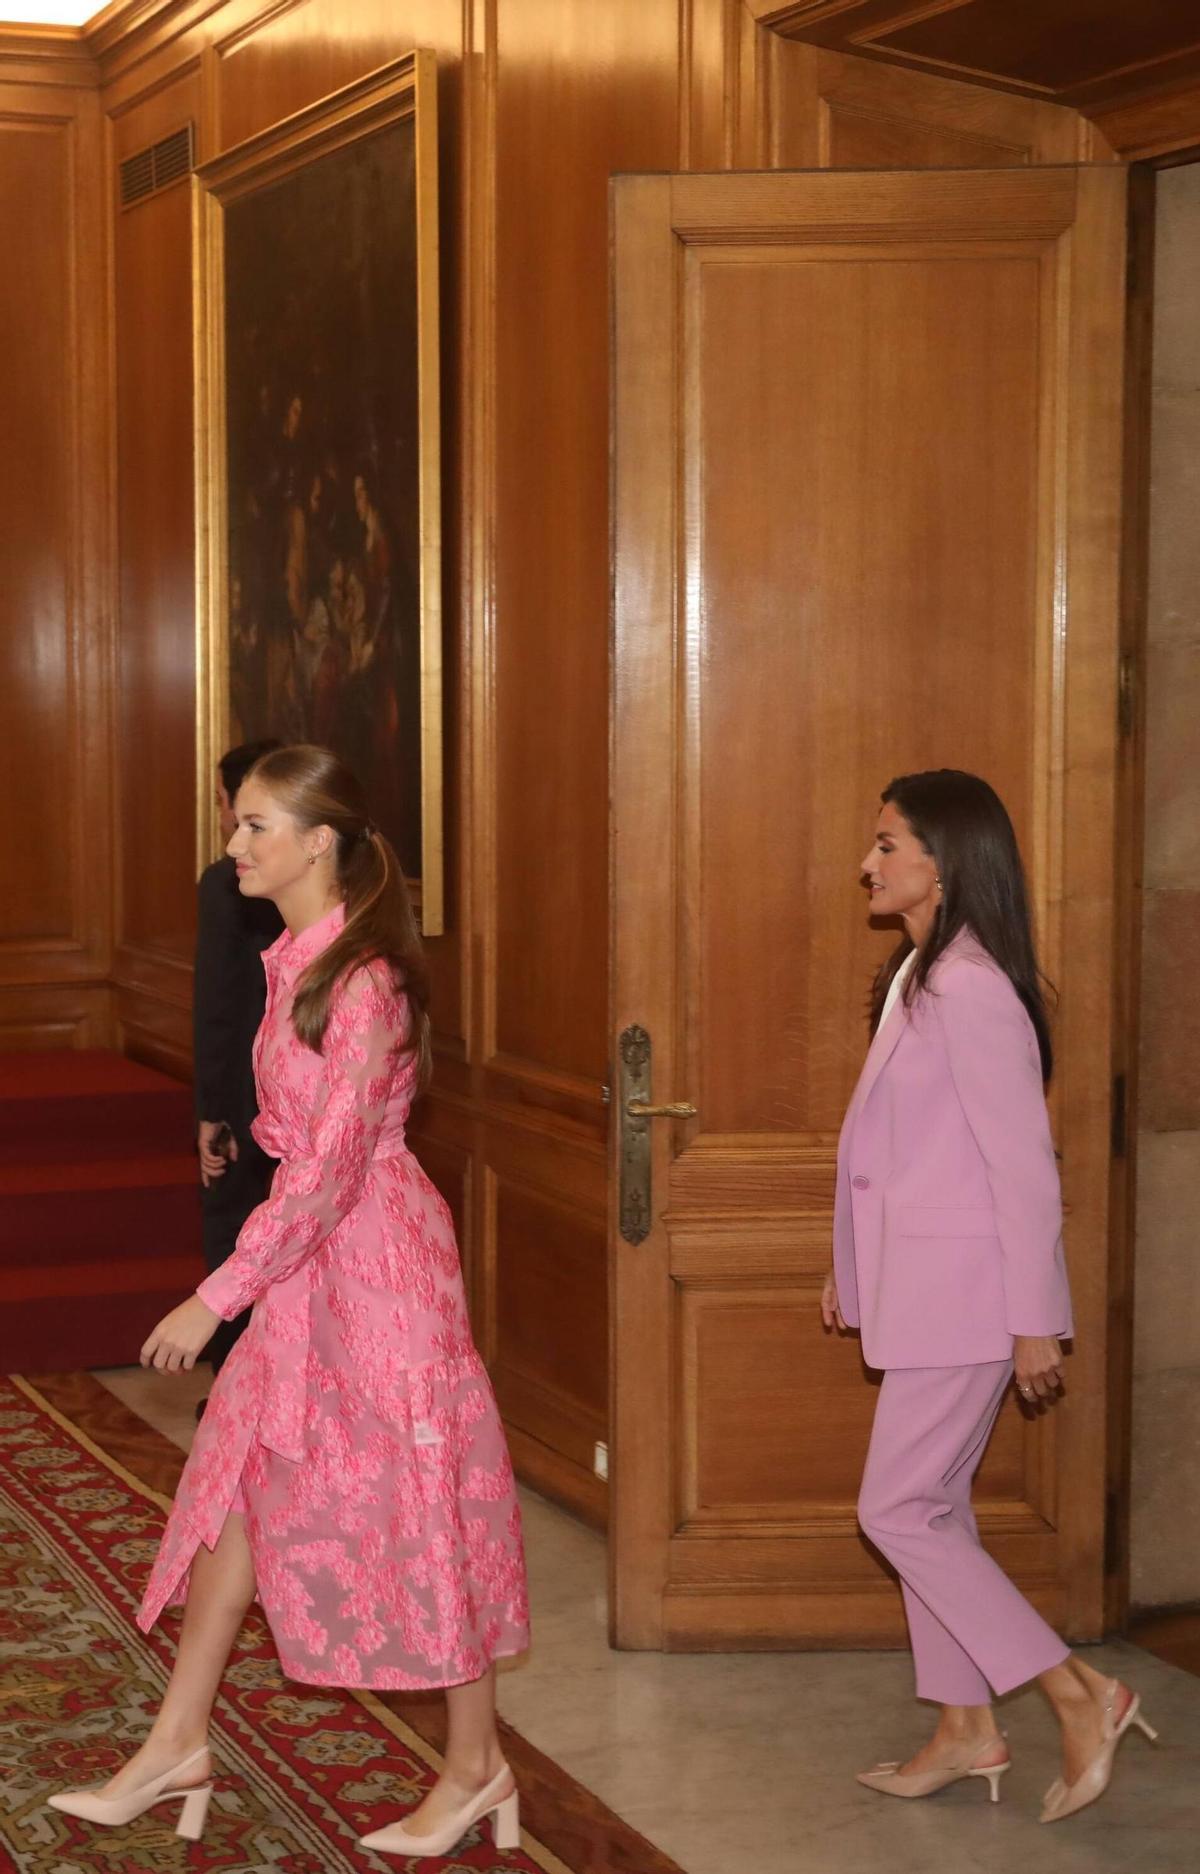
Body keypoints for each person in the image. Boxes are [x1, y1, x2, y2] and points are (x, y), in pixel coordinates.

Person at [49, 745, 529, 1856]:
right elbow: (303, 1166)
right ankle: (177, 1739)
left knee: (421, 1508)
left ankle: (475, 1765)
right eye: (237, 823)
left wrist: (214, 1297)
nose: (234, 844)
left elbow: (330, 1172)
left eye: (255, 825)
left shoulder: (367, 983)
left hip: (380, 1274)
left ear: (319, 842)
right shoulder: (298, 958)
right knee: (236, 1482)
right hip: (309, 1263)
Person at [821, 769, 1157, 1826]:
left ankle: (1078, 1690)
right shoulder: (917, 972)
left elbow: (1023, 1169)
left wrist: (1034, 1322)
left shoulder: (969, 987)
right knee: (937, 1508)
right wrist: (852, 1264)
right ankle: (966, 1728)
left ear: (946, 860)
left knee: (895, 1508)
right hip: (927, 1289)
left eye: (888, 844)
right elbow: (900, 1152)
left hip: (969, 1299)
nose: (868, 863)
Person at [194, 739, 284, 1402]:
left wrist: (213, 1113)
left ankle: (236, 1397)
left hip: (251, 1103)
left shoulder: (224, 883)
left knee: (238, 1238)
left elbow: (219, 1006)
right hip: (299, 1107)